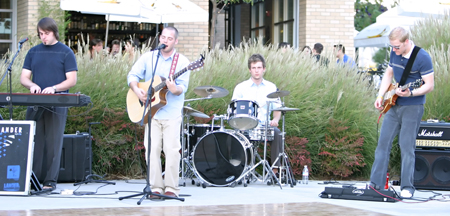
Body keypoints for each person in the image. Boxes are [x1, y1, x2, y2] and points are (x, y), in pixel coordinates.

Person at [371, 26, 434, 199]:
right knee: (383, 143)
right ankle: (375, 184)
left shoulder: (422, 57)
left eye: (397, 47)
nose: (394, 50)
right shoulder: (394, 52)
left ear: (406, 42)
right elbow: (388, 74)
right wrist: (380, 95)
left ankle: (407, 187)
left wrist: (412, 92)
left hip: (413, 106)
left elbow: (429, 84)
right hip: (393, 104)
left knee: (406, 147)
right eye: (392, 46)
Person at [127, 27, 190, 199]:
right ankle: (155, 188)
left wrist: (173, 88)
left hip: (172, 113)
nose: (165, 41)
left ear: (176, 41)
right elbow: (133, 75)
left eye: (170, 38)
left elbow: (182, 89)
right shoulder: (149, 57)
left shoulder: (183, 62)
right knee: (151, 149)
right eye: (163, 37)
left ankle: (171, 188)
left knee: (171, 150)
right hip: (151, 112)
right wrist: (136, 89)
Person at [20, 17, 77, 191]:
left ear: (54, 32)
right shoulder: (33, 52)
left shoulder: (66, 52)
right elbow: (24, 77)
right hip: (36, 102)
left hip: (57, 102)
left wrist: (54, 88)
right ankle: (32, 179)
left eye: (46, 33)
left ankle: (50, 181)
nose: (43, 37)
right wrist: (32, 85)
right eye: (40, 34)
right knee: (34, 140)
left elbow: (72, 80)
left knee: (53, 142)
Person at [231, 54, 283, 176]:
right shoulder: (241, 87)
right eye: (254, 68)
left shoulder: (271, 87)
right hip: (246, 127)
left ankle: (275, 171)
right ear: (250, 69)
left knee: (277, 133)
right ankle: (239, 171)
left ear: (264, 69)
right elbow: (234, 108)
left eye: (259, 67)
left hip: (265, 125)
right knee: (235, 136)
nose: (256, 70)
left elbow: (277, 109)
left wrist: (275, 119)